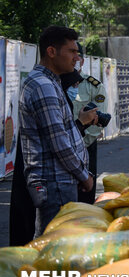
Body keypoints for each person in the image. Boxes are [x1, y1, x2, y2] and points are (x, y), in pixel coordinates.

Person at [19, 26, 96, 237]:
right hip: (55, 184)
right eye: (72, 51)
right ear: (51, 52)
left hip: (60, 182)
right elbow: (59, 143)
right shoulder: (43, 85)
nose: (76, 57)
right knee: (56, 249)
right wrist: (83, 175)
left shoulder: (50, 82)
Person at [70, 43, 107, 204]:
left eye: (78, 56)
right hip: (60, 146)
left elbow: (97, 119)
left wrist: (80, 142)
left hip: (85, 145)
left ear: (83, 61)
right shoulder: (55, 83)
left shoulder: (94, 86)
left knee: (86, 191)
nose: (75, 59)